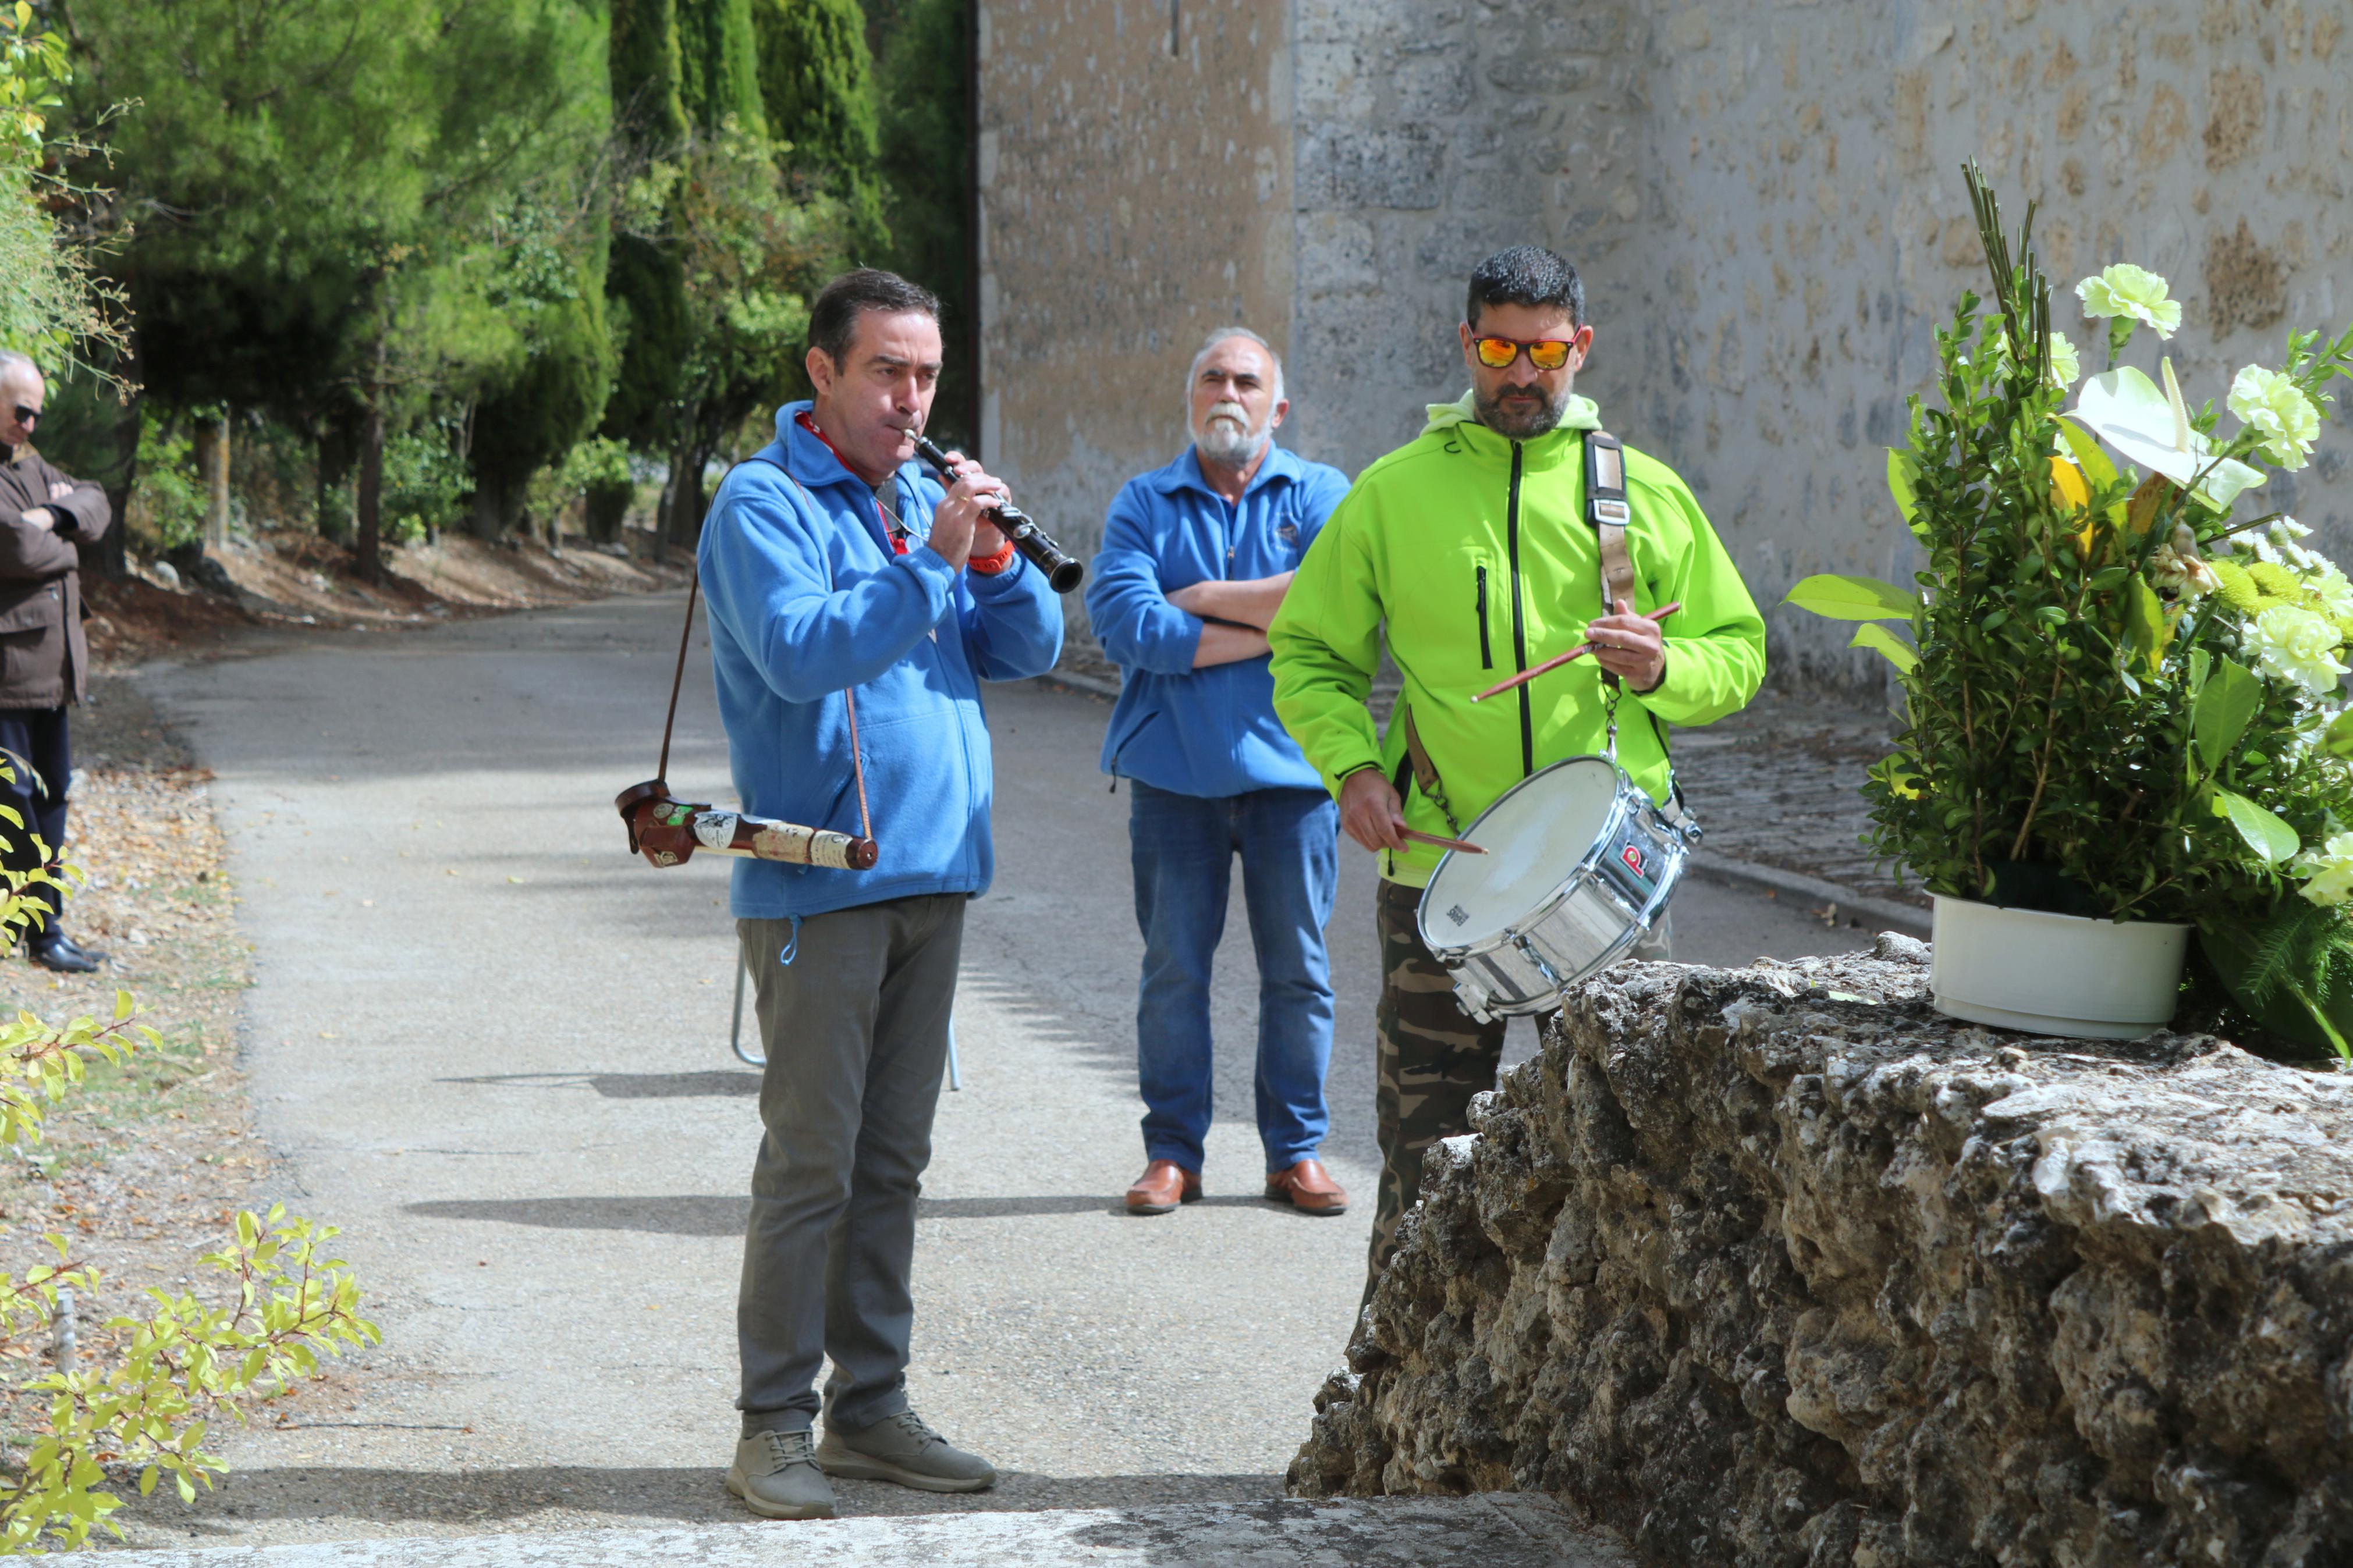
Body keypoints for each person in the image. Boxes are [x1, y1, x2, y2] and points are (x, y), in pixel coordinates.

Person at [1267, 246, 1765, 1299]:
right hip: (1438, 880)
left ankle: (1613, 1428)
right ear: (1465, 346)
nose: (1520, 375)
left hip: (1612, 891)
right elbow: (1309, 655)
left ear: (1578, 348)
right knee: (1421, 1169)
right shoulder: (1391, 496)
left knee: (1629, 1172)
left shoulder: (1646, 494)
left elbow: (1738, 653)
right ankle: (1388, 1418)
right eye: (1498, 349)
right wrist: (1351, 771)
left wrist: (1667, 664)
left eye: (1543, 352)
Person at [697, 268, 1063, 1521]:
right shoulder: (760, 504)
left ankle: (868, 1409)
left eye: (924, 376)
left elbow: (1026, 652)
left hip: (935, 877)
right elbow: (801, 654)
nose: (910, 401)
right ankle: (770, 1425)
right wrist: (925, 564)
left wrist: (998, 558)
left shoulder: (920, 494)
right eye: (884, 373)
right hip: (819, 884)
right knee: (812, 1166)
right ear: (821, 371)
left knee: (892, 1163)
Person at [1084, 328, 1354, 1218]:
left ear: (1277, 407)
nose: (1226, 391)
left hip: (1297, 777)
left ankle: (1295, 1152)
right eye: (1211, 377)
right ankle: (1171, 1154)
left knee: (1299, 974)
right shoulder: (1142, 502)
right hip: (1173, 778)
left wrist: (1194, 598)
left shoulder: (1322, 494)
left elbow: (1338, 608)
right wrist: (1274, 622)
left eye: (1246, 379)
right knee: (1172, 972)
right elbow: (1129, 628)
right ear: (1190, 399)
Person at [0, 352, 111, 973]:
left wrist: (54, 518)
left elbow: (96, 503)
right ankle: (25, 927)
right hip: (6, 678)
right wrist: (65, 544)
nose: (31, 424)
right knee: (11, 804)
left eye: (38, 413)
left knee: (50, 802)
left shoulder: (31, 469)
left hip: (52, 675)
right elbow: (13, 544)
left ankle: (45, 930)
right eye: (21, 411)